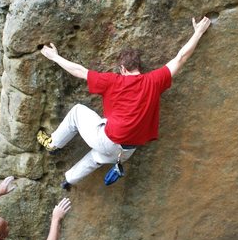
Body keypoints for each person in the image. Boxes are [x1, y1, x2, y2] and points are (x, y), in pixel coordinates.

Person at [37, 16, 211, 189]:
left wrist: (55, 57)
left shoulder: (113, 81)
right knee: (96, 158)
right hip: (126, 151)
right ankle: (68, 180)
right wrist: (198, 33)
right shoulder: (154, 81)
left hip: (108, 140)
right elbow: (180, 58)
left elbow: (80, 71)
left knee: (77, 112)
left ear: (122, 69)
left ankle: (53, 144)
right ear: (139, 68)